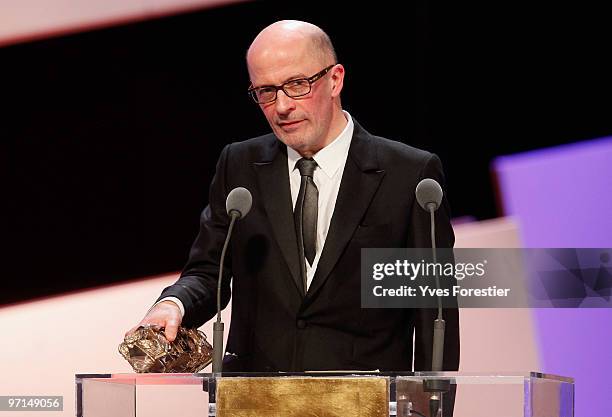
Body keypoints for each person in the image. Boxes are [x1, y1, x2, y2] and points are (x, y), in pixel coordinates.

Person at [127, 20, 459, 373]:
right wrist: (175, 303)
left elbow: (434, 311)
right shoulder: (239, 165)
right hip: (255, 400)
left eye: (297, 85)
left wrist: (431, 408)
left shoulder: (409, 174)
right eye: (266, 92)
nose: (281, 106)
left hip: (365, 401)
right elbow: (210, 271)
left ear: (335, 79)